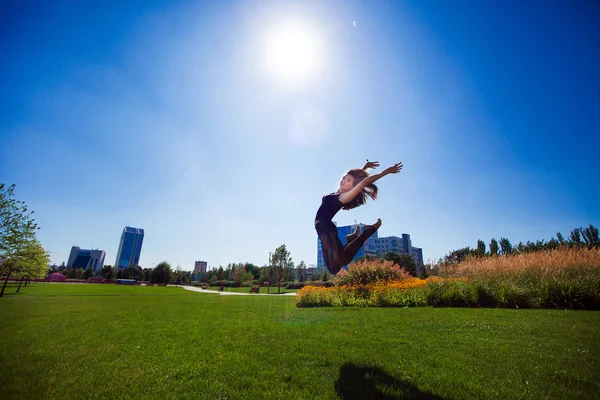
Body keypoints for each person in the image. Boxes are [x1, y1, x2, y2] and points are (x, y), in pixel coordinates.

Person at [315, 159, 403, 274]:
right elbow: (357, 180)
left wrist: (386, 171)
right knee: (343, 260)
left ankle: (364, 233)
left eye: (348, 181)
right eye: (344, 178)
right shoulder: (336, 193)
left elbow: (364, 182)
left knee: (335, 268)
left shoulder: (343, 198)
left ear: (353, 187)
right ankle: (358, 236)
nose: (344, 181)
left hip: (326, 230)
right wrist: (364, 168)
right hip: (325, 230)